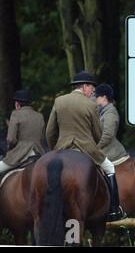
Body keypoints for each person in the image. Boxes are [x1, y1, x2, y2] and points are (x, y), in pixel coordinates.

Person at [46, 71, 126, 221]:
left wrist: (54, 149)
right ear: (84, 86)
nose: (93, 93)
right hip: (87, 149)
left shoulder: (59, 101)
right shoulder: (90, 105)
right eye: (92, 89)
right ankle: (114, 209)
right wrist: (93, 143)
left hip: (62, 148)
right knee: (109, 168)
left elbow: (50, 131)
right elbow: (97, 133)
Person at [0, 90, 45, 174]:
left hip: (20, 154)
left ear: (17, 104)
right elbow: (41, 137)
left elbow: (11, 139)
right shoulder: (40, 116)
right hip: (38, 153)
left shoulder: (16, 114)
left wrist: (10, 149)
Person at [94, 83, 130, 165]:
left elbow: (108, 135)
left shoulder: (110, 113)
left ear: (104, 97)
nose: (95, 98)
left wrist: (94, 148)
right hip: (104, 151)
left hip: (112, 154)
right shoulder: (103, 112)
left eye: (97, 96)